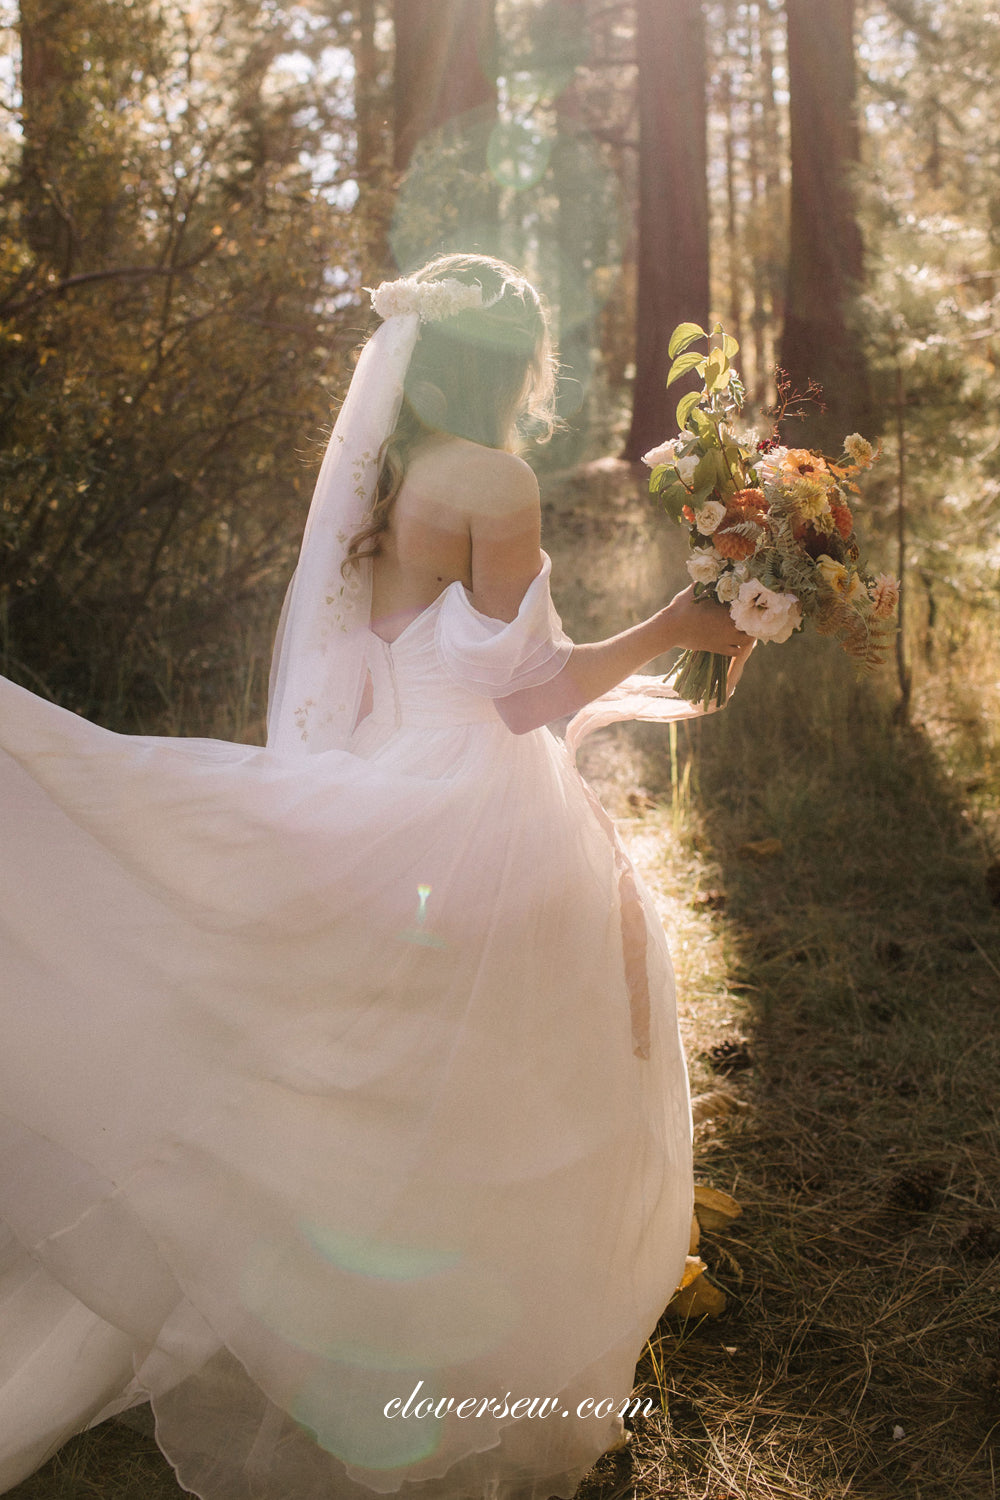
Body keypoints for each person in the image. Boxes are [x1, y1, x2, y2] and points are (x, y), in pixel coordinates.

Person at [0, 252, 750, 1500]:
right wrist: (677, 624)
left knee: (389, 1072)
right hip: (472, 805)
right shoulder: (496, 479)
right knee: (518, 1076)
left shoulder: (388, 473)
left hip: (393, 773)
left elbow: (413, 657)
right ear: (508, 363)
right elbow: (525, 698)